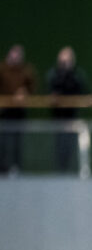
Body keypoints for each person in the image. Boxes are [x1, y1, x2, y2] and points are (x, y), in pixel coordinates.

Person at [46, 46, 89, 172]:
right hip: (58, 116)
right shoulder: (53, 74)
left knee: (70, 145)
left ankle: (70, 169)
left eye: (68, 61)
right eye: (63, 61)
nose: (65, 64)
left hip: (72, 116)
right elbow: (49, 90)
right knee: (59, 144)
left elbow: (84, 90)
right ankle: (60, 169)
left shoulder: (77, 75)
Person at [0, 44, 37, 174]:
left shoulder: (27, 70)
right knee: (3, 140)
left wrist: (24, 92)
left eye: (18, 55)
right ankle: (2, 167)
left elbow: (32, 88)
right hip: (4, 110)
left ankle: (16, 166)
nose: (15, 57)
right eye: (13, 54)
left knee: (17, 141)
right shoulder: (2, 68)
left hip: (19, 111)